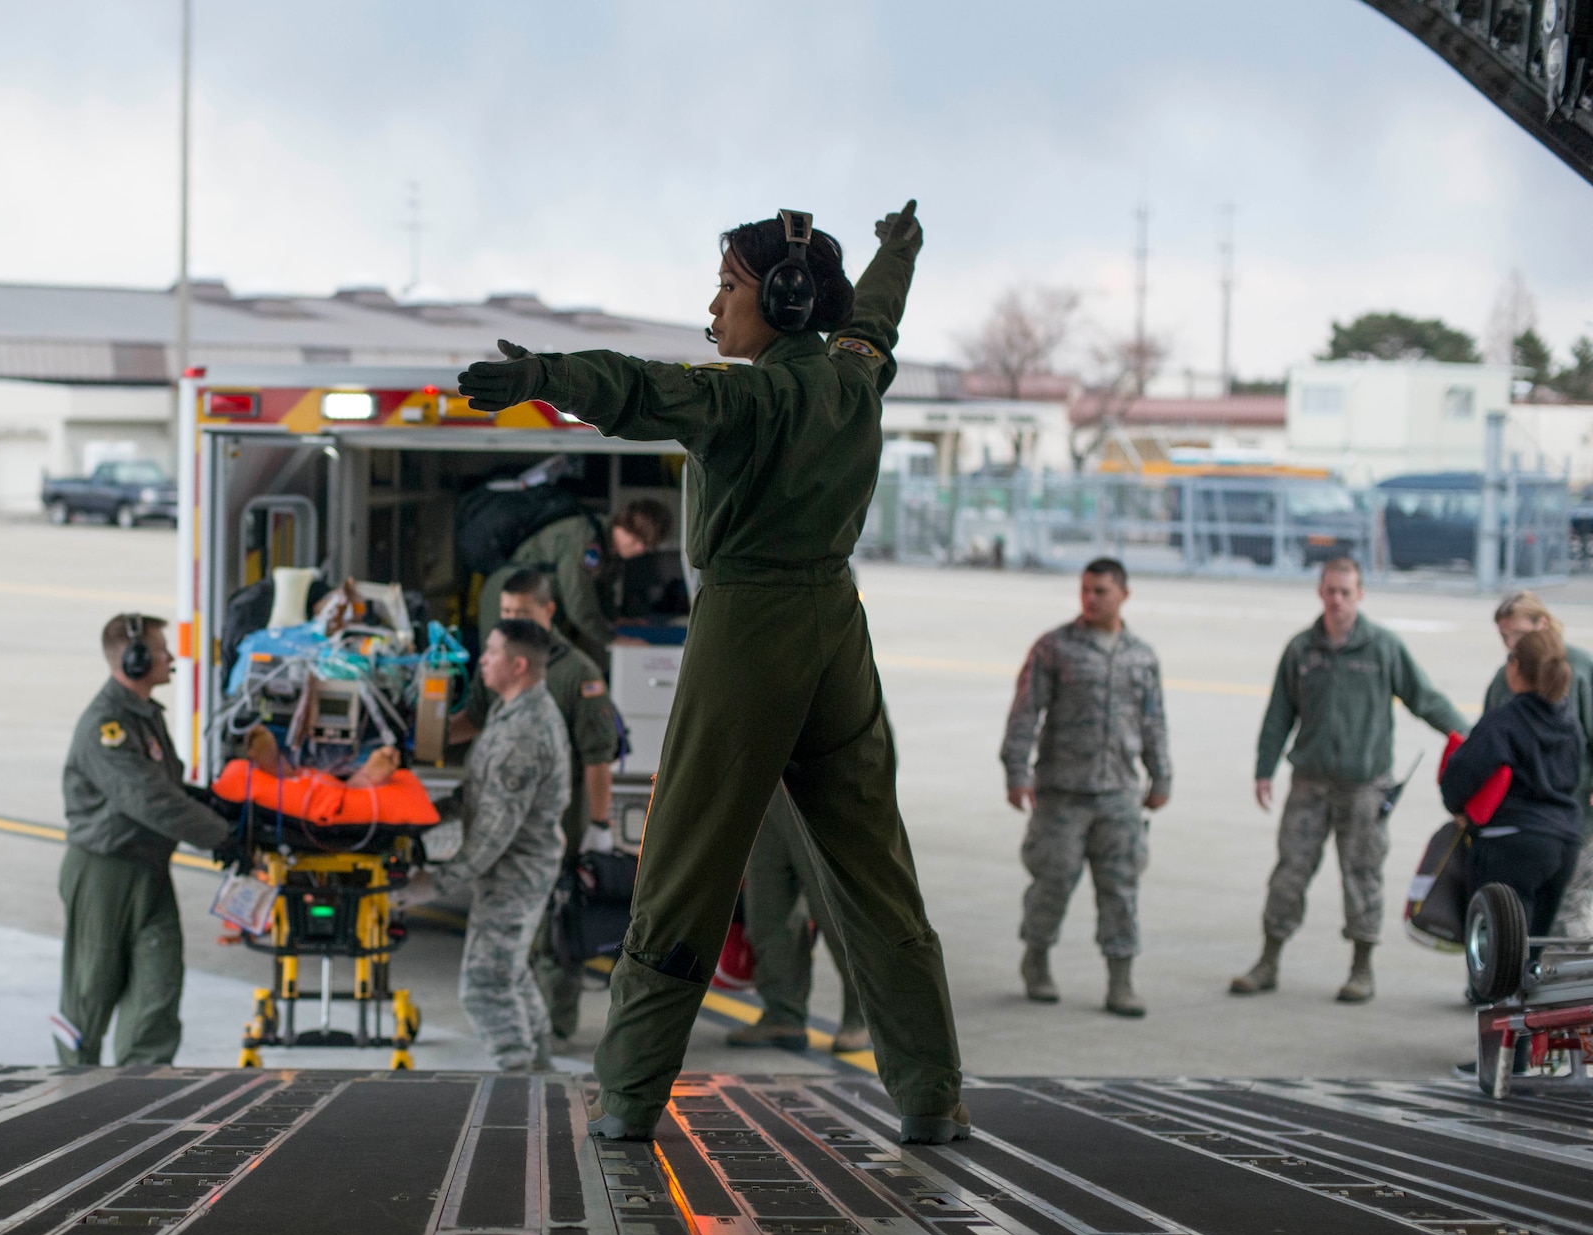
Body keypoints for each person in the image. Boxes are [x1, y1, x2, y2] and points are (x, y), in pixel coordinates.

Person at [459, 200, 969, 1145]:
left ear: (781, 294)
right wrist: (900, 250)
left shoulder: (752, 399)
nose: (716, 304)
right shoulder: (856, 379)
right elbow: (875, 321)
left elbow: (640, 389)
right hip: (837, 630)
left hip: (748, 630)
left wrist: (541, 376)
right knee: (875, 872)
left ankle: (629, 1094)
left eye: (731, 285)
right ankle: (932, 1093)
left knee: (685, 858)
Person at [1235, 557, 1466, 1002]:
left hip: (1364, 787)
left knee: (1362, 876)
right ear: (1320, 592)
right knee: (1289, 874)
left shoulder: (1382, 647)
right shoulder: (1301, 649)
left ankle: (1362, 969)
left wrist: (1473, 739)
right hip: (1309, 785)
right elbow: (1279, 713)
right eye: (1330, 591)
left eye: (1346, 591)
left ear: (1360, 594)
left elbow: (1426, 699)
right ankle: (1268, 960)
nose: (1337, 599)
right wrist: (1264, 769)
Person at [448, 567, 622, 1040]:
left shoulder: (575, 673)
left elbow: (597, 758)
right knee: (518, 945)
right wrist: (422, 737)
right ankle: (535, 1035)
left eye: (519, 613)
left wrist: (600, 824)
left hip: (556, 824)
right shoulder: (504, 657)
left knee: (557, 935)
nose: (509, 620)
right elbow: (476, 718)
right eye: (504, 612)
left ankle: (556, 1028)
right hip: (514, 828)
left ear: (548, 611)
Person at [55, 613, 233, 1066]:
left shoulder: (143, 716)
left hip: (150, 867)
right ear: (134, 660)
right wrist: (221, 837)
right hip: (105, 871)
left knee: (159, 983)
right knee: (91, 988)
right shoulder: (106, 725)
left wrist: (217, 806)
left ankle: (142, 1090)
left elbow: (167, 787)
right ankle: (71, 1089)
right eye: (160, 650)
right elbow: (148, 799)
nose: (170, 657)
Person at [395, 619, 571, 1070]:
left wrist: (433, 884)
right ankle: (542, 1073)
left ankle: (519, 1082)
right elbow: (476, 793)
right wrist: (420, 820)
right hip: (516, 867)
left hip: (515, 872)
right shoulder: (509, 708)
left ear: (518, 664)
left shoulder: (523, 733)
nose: (482, 660)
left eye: (491, 653)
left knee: (485, 985)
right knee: (510, 973)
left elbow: (491, 836)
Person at [1000, 557, 1171, 1018]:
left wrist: (1161, 775)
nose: (1091, 599)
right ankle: (1036, 959)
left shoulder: (1141, 655)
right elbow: (1024, 713)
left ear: (1124, 594)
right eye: (1086, 590)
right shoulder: (1055, 648)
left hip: (1119, 793)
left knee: (1121, 888)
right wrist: (1016, 773)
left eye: (1101, 591)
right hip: (1061, 792)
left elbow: (1153, 722)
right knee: (1051, 882)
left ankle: (1121, 980)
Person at [1444, 625, 1585, 936]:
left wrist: (1456, 806)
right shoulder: (1569, 724)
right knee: (1533, 950)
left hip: (1511, 843)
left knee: (1497, 955)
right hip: (1565, 843)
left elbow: (1461, 775)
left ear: (1517, 668)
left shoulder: (1503, 722)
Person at [1483, 591, 1593, 938]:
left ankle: (1568, 989)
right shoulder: (1505, 678)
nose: (1509, 644)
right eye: (1504, 636)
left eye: (1517, 634)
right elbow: (1484, 745)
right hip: (1520, 826)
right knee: (1516, 915)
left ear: (1542, 624)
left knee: (1570, 910)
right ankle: (1509, 982)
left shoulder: (1579, 668)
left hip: (1576, 818)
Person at [729, 785, 868, 1052]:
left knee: (838, 913)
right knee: (768, 912)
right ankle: (783, 1014)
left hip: (820, 785)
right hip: (762, 788)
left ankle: (862, 1016)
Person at [475, 498, 674, 664]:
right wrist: (613, 638)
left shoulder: (608, 549)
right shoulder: (586, 539)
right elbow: (579, 601)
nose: (638, 549)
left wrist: (614, 619)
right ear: (624, 525)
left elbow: (601, 590)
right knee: (502, 666)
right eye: (636, 540)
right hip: (510, 595)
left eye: (645, 546)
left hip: (533, 601)